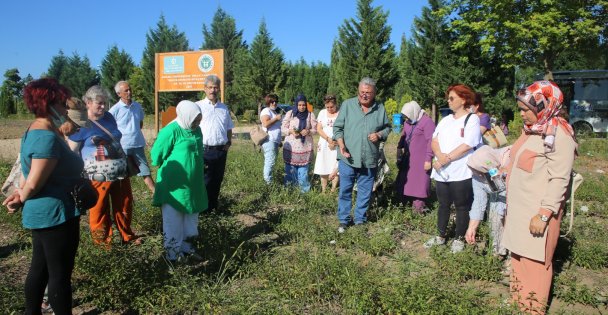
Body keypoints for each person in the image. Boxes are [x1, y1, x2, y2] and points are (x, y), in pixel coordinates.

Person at [2, 78, 83, 315]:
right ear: (48, 103)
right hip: (55, 214)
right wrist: (21, 197)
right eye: (61, 102)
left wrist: (21, 193)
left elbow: (29, 173)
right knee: (59, 275)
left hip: (46, 213)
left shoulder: (35, 129)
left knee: (40, 267)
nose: (66, 108)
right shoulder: (46, 136)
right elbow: (36, 179)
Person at [503, 81, 576, 314]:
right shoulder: (532, 131)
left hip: (536, 213)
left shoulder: (558, 135)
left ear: (545, 105)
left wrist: (544, 214)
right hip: (519, 209)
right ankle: (518, 302)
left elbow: (559, 180)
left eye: (526, 110)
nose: (522, 114)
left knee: (534, 263)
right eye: (520, 109)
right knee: (518, 257)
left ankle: (532, 309)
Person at [68, 85, 140, 246]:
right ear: (87, 102)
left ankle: (127, 236)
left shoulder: (109, 117)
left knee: (124, 205)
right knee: (99, 209)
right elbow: (71, 152)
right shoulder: (80, 124)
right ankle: (103, 244)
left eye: (105, 103)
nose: (103, 107)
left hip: (120, 171)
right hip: (97, 176)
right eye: (99, 103)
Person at [425, 84, 481, 253]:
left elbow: (467, 145)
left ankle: (458, 238)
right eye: (448, 98)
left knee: (461, 206)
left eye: (452, 98)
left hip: (460, 171)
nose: (448, 101)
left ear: (463, 99)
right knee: (443, 204)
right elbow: (434, 140)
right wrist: (440, 156)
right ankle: (441, 236)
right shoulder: (446, 120)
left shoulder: (472, 119)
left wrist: (445, 159)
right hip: (443, 172)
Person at [151, 100, 208, 262]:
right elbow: (156, 157)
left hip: (193, 184)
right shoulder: (171, 131)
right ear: (185, 116)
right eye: (195, 119)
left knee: (191, 218)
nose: (197, 123)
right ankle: (173, 256)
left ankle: (186, 248)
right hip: (174, 185)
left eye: (199, 119)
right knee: (173, 220)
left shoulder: (197, 130)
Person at [333, 77, 391, 233]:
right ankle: (344, 220)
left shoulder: (380, 108)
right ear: (358, 92)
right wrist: (341, 144)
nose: (364, 95)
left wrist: (379, 134)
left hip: (369, 158)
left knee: (365, 191)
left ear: (374, 93)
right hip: (348, 157)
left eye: (368, 93)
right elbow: (337, 128)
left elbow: (387, 128)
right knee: (345, 190)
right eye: (362, 92)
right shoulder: (347, 105)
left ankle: (360, 220)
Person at [195, 75, 234, 213]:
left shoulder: (224, 108)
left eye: (215, 87)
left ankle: (213, 208)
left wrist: (228, 143)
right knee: (205, 181)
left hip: (221, 151)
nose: (213, 90)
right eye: (210, 87)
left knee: (217, 180)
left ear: (219, 89)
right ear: (205, 89)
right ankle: (202, 210)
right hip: (204, 150)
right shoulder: (198, 106)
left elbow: (229, 127)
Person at [109, 81, 155, 193]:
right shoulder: (115, 110)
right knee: (122, 174)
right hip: (123, 146)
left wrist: (134, 132)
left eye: (130, 89)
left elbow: (140, 123)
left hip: (137, 143)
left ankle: (156, 194)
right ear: (119, 94)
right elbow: (109, 127)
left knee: (145, 171)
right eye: (126, 91)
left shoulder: (137, 106)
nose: (129, 92)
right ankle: (123, 197)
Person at [464, 145, 511, 257]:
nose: (479, 174)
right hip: (497, 198)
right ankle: (499, 251)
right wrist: (471, 228)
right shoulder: (477, 174)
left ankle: (513, 258)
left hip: (514, 199)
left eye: (481, 172)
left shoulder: (509, 160)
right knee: (494, 220)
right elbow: (479, 203)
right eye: (476, 171)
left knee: (511, 224)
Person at [395, 101, 435, 214]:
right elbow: (404, 136)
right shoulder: (408, 122)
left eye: (407, 115)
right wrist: (399, 148)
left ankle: (418, 210)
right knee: (405, 181)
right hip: (408, 158)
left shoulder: (427, 122)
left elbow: (431, 141)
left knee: (419, 184)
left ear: (414, 112)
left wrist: (428, 159)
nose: (406, 118)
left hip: (421, 160)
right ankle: (403, 206)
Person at [281, 94, 317, 192]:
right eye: (300, 105)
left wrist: (308, 131)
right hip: (291, 148)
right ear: (296, 105)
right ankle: (289, 191)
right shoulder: (290, 113)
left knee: (303, 173)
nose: (302, 107)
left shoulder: (310, 114)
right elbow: (283, 128)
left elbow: (315, 129)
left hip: (304, 148)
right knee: (290, 171)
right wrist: (291, 131)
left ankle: (304, 193)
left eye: (304, 105)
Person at [313, 94, 340, 193]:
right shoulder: (322, 113)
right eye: (327, 107)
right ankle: (324, 191)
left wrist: (336, 141)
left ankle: (333, 190)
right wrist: (328, 139)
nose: (329, 109)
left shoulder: (340, 112)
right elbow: (319, 129)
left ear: (336, 104)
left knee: (335, 165)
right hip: (324, 143)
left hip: (336, 143)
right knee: (323, 165)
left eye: (331, 107)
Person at [259, 94, 283, 184]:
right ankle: (268, 184)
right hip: (269, 140)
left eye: (276, 101)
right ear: (268, 102)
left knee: (272, 162)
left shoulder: (273, 112)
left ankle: (269, 181)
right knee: (270, 162)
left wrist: (279, 140)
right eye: (272, 101)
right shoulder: (266, 110)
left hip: (274, 141)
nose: (274, 103)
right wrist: (276, 119)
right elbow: (265, 124)